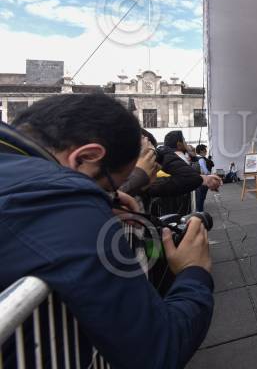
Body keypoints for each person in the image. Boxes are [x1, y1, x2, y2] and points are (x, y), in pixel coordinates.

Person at [0, 94, 214, 369]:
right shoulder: (62, 205)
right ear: (87, 157)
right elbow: (157, 352)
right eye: (114, 183)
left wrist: (103, 197)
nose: (113, 194)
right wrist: (193, 272)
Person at [195, 144, 211, 212]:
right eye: (205, 150)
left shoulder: (196, 158)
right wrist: (210, 174)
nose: (206, 151)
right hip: (203, 180)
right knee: (201, 198)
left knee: (200, 198)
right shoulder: (201, 159)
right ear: (201, 151)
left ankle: (200, 212)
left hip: (198, 179)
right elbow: (205, 170)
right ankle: (200, 213)